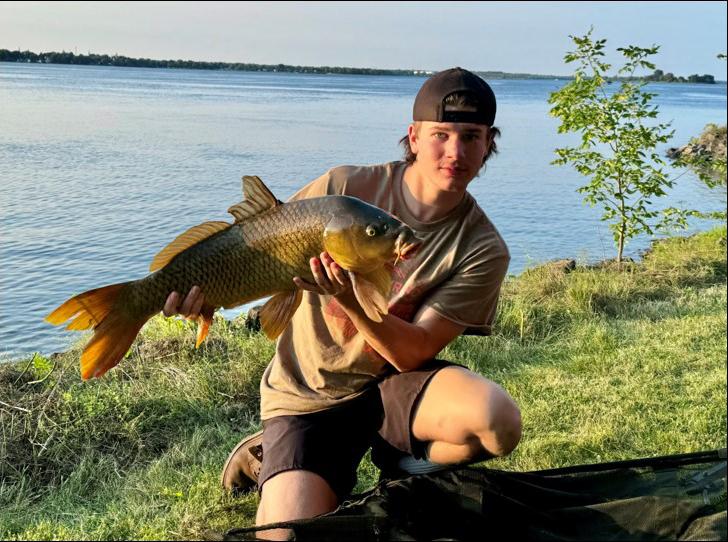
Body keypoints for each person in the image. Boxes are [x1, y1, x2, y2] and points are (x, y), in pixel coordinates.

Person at [164, 67, 521, 538]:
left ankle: (401, 460)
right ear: (414, 137)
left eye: (471, 137)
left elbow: (413, 351)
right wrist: (201, 293)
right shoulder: (343, 188)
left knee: (497, 421)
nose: (455, 152)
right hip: (309, 393)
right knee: (286, 536)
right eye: (441, 135)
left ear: (489, 143)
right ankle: (270, 455)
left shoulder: (482, 247)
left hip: (395, 386)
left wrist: (349, 298)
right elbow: (256, 248)